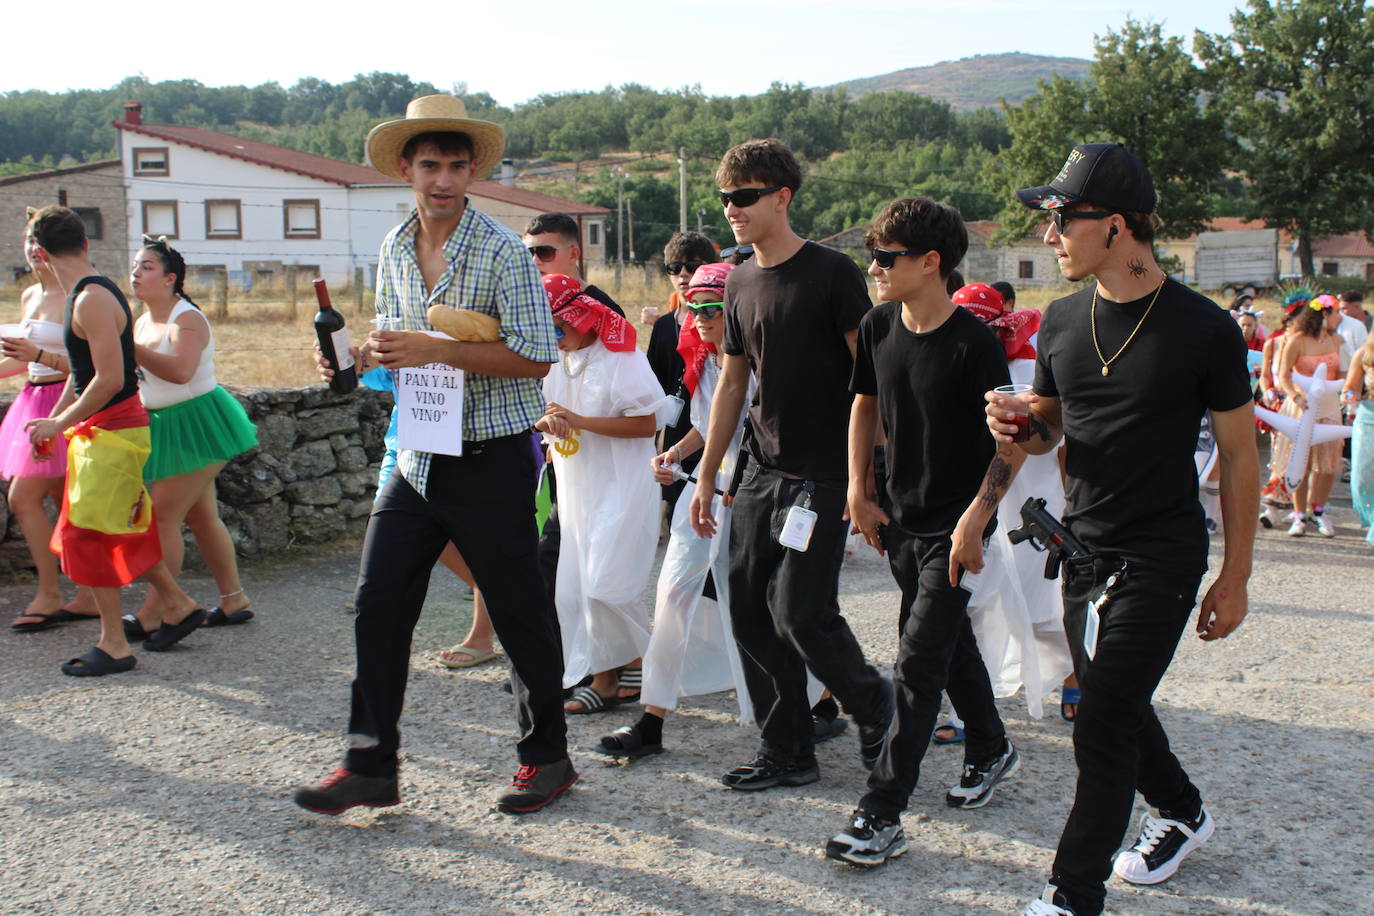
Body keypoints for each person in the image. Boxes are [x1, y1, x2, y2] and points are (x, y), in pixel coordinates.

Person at [989, 143, 1257, 916]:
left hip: (1163, 553)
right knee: (1119, 702)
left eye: (1061, 220)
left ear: (1114, 226)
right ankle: (1184, 812)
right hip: (1081, 549)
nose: (1050, 238)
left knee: (1099, 717)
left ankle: (1071, 896)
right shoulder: (1064, 323)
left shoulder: (1205, 329)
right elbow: (1046, 433)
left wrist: (1235, 575)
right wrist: (1014, 424)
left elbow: (1240, 458)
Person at [293, 95, 574, 816]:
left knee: (518, 614)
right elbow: (396, 338)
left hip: (491, 456)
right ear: (405, 169)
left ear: (473, 168)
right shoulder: (392, 249)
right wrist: (358, 357)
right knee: (376, 606)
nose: (443, 179)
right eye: (429, 166)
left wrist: (440, 350)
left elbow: (538, 357)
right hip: (417, 453)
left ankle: (547, 760)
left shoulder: (505, 251)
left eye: (455, 165)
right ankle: (370, 765)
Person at [690, 138, 893, 792]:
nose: (732, 209)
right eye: (725, 199)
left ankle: (876, 708)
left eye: (744, 197)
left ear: (783, 196)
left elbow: (874, 381)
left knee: (801, 611)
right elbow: (731, 383)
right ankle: (789, 748)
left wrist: (865, 480)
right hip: (758, 472)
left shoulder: (832, 275)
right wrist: (707, 472)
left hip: (822, 474)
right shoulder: (741, 278)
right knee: (747, 611)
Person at [824, 200, 1023, 869]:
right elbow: (865, 404)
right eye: (871, 255)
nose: (873, 269)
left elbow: (1011, 445)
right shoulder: (878, 325)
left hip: (958, 527)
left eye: (886, 257)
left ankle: (880, 812)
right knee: (944, 641)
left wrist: (976, 521)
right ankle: (991, 745)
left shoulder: (974, 344)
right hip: (900, 519)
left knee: (916, 661)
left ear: (931, 262)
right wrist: (859, 489)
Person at [23, 206, 205, 675]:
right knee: (115, 527)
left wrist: (58, 423)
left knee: (90, 534)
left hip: (114, 431)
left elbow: (109, 379)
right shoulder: (84, 295)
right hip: (104, 430)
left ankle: (114, 644)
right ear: (84, 243)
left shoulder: (90, 300)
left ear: (40, 253)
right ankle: (177, 604)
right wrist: (62, 419)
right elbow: (83, 373)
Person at [536, 273, 669, 713]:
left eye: (560, 327)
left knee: (604, 584)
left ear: (584, 318)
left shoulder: (622, 358)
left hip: (623, 484)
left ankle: (644, 661)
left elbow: (647, 424)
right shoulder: (554, 359)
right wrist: (548, 424)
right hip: (577, 487)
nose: (555, 338)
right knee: (574, 588)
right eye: (547, 329)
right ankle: (608, 677)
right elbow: (544, 413)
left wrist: (579, 421)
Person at [119, 237, 258, 639]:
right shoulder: (143, 320)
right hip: (165, 425)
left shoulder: (187, 319)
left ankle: (157, 610)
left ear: (170, 278)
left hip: (199, 422)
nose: (136, 274)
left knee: (162, 516)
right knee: (200, 516)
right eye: (135, 266)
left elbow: (180, 372)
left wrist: (129, 346)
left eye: (146, 266)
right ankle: (234, 600)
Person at [2, 210, 97, 631]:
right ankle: (88, 592)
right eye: (27, 242)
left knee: (23, 499)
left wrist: (38, 357)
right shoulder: (29, 296)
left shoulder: (79, 294)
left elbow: (87, 366)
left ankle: (50, 592)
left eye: (36, 243)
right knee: (64, 504)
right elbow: (21, 362)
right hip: (33, 397)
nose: (32, 251)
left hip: (65, 401)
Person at [646, 232, 719, 518]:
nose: (683, 274)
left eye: (692, 266)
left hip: (715, 425)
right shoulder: (664, 326)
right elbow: (654, 386)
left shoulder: (722, 320)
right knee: (680, 511)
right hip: (677, 429)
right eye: (674, 268)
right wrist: (656, 441)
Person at [1273, 293, 1344, 537]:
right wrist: (1295, 396)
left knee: (1326, 465)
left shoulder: (1336, 340)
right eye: (1336, 312)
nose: (1339, 317)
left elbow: (1342, 373)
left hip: (1329, 409)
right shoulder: (1297, 340)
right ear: (1324, 314)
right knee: (1299, 461)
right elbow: (1283, 375)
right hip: (1301, 408)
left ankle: (1319, 511)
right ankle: (1299, 513)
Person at [1342, 338, 1374, 545]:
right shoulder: (1364, 353)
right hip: (1367, 417)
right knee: (1361, 479)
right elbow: (1349, 388)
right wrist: (1349, 396)